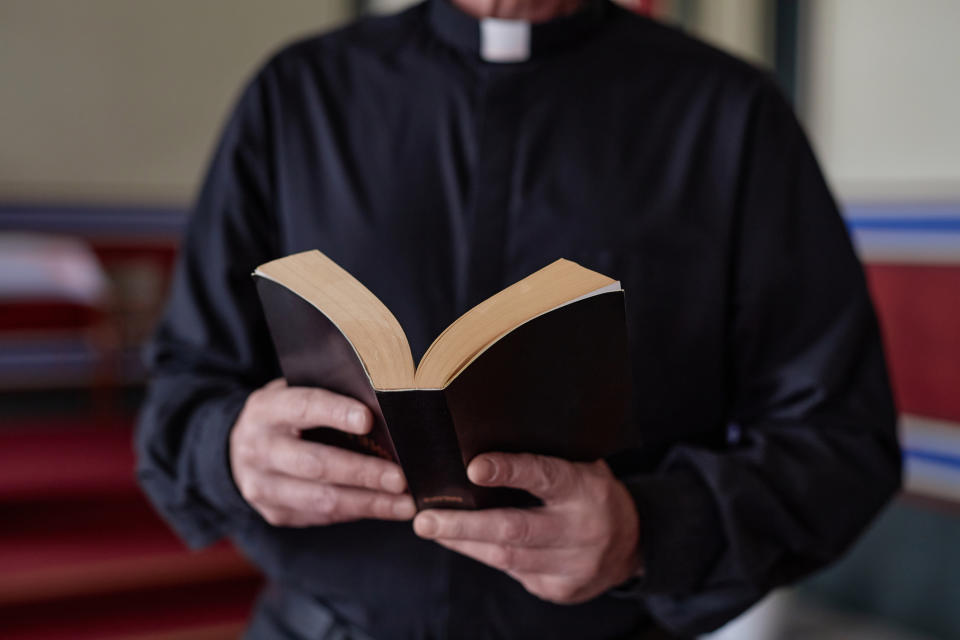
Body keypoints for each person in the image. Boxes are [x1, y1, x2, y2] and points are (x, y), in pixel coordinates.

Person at [135, 0, 902, 637]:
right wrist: (231, 448)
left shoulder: (729, 113)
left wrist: (649, 529)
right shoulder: (296, 94)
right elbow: (180, 393)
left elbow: (842, 440)